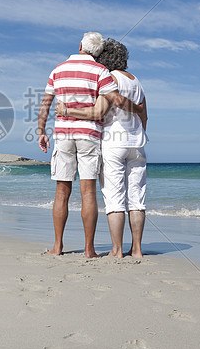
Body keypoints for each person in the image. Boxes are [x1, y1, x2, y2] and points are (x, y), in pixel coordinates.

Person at [56, 39, 148, 258]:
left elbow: (97, 112)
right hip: (137, 143)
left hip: (114, 142)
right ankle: (137, 249)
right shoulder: (136, 80)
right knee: (136, 197)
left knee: (114, 197)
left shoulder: (110, 79)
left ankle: (117, 250)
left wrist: (67, 110)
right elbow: (144, 114)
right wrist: (139, 134)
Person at [37, 32, 118, 258]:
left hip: (63, 134)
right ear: (98, 52)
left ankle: (57, 246)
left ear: (81, 45)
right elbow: (107, 105)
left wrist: (41, 131)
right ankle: (90, 250)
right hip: (89, 135)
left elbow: (45, 104)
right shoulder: (101, 72)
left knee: (62, 191)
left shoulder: (58, 70)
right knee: (88, 192)